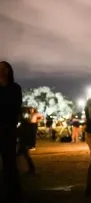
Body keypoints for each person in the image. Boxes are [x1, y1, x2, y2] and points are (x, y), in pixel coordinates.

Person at [0, 61, 24, 202]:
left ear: (10, 71)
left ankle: (14, 194)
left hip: (8, 128)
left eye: (4, 69)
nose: (2, 71)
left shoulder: (14, 88)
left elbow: (15, 107)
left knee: (10, 163)